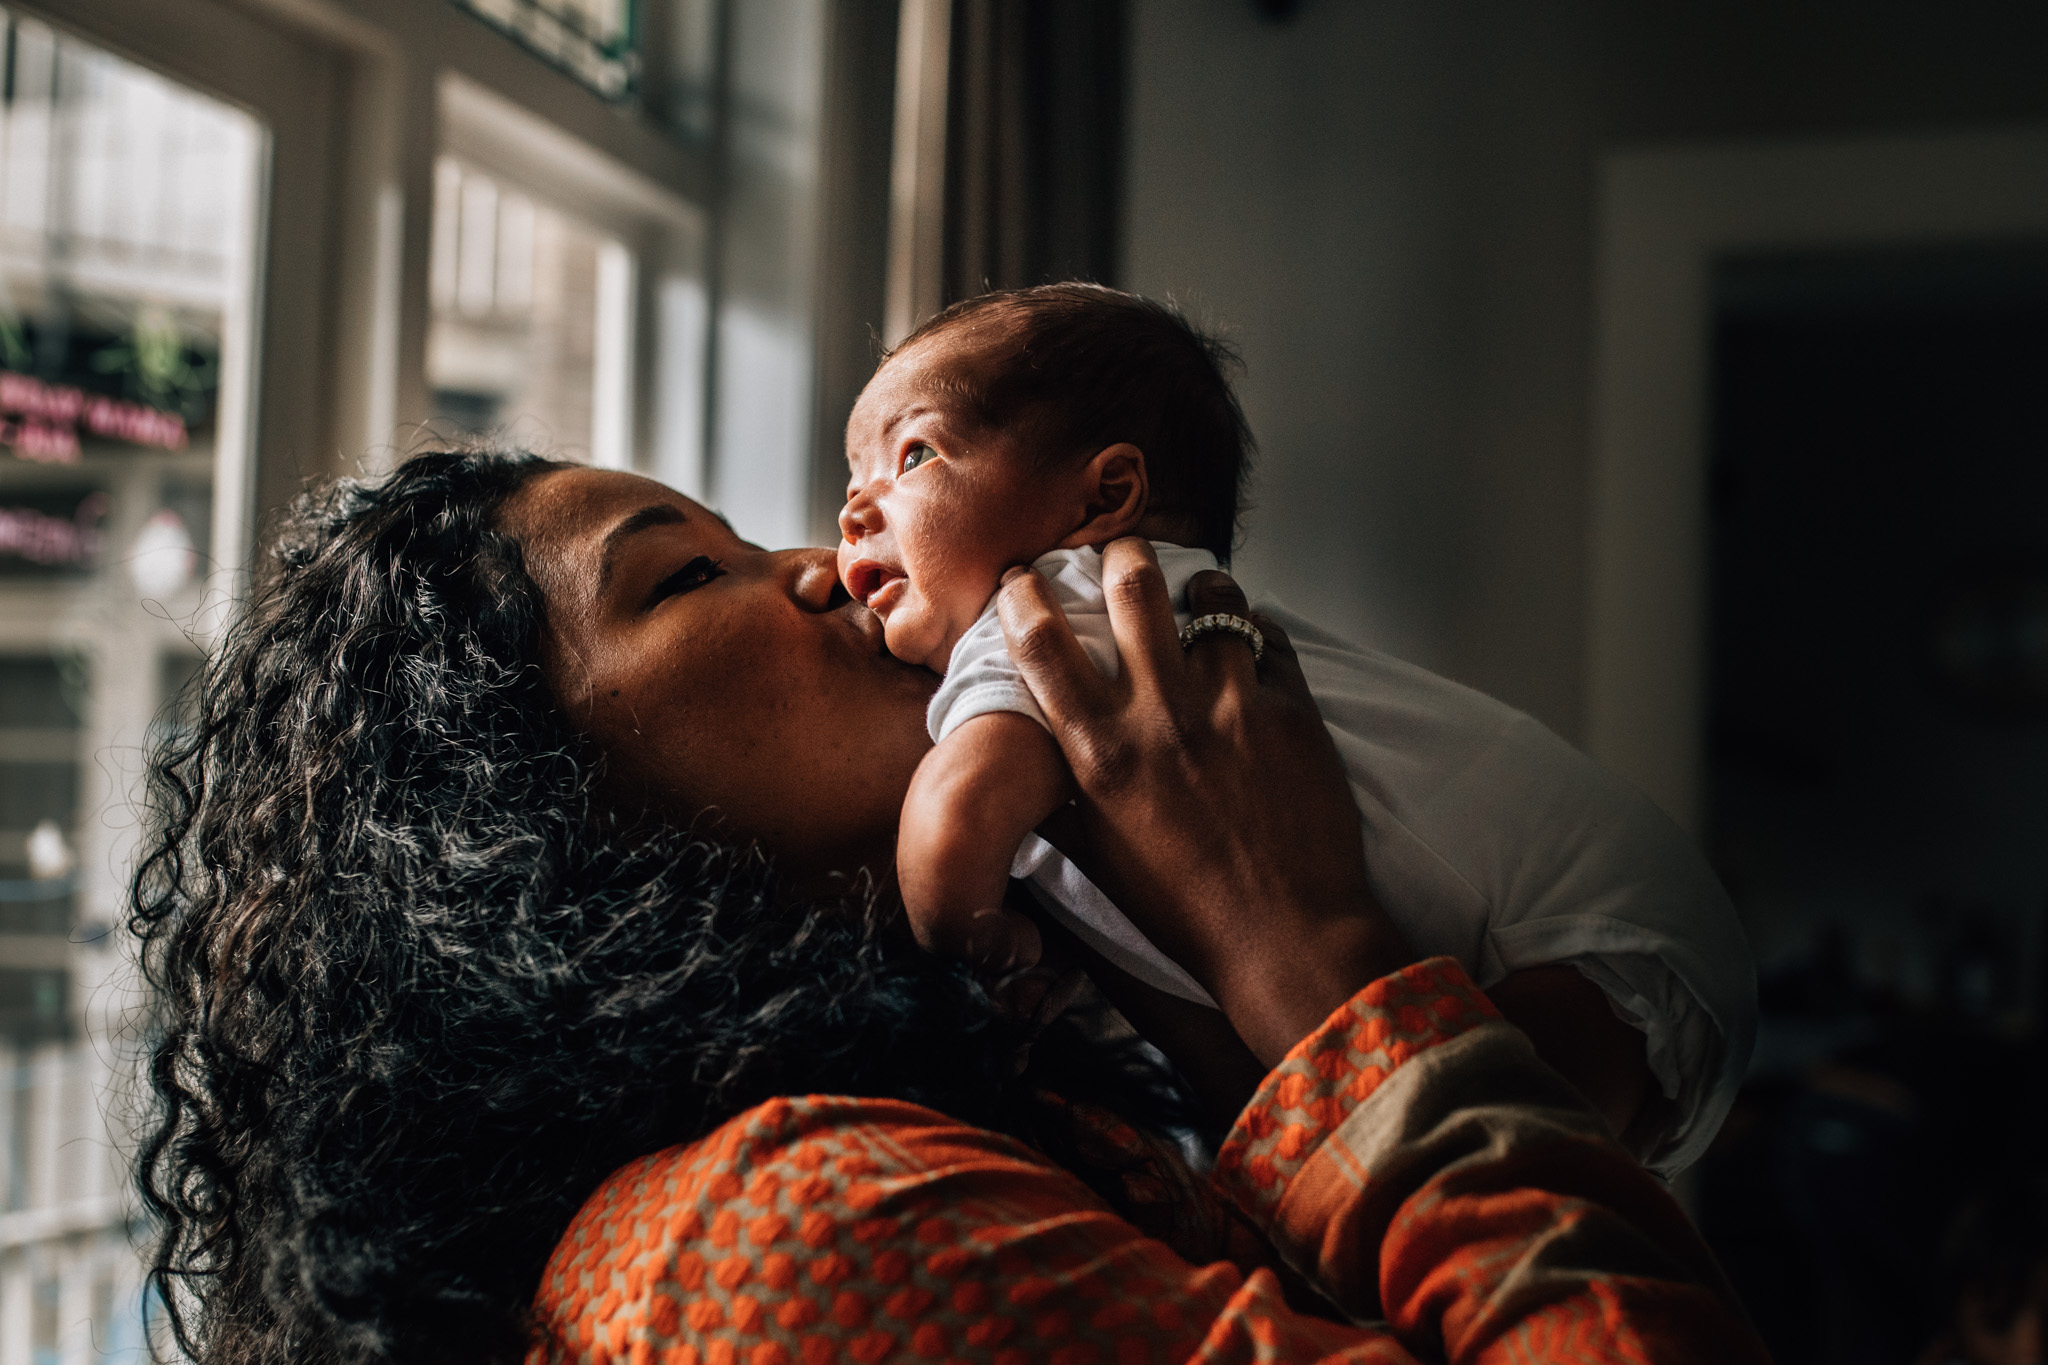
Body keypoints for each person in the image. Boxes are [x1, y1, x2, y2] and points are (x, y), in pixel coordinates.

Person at [134, 450, 1765, 1365]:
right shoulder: (769, 1247)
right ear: (517, 829)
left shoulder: (946, 1088)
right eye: (681, 575)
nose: (823, 565)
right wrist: (1305, 959)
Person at [838, 283, 1753, 1171]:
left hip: (1582, 923)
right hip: (1617, 910)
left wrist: (963, 944)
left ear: (1101, 498)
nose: (852, 512)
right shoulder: (1143, 619)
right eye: (852, 478)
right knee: (1449, 1196)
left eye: (912, 456)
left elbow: (957, 814)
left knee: (1475, 1177)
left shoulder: (1060, 599)